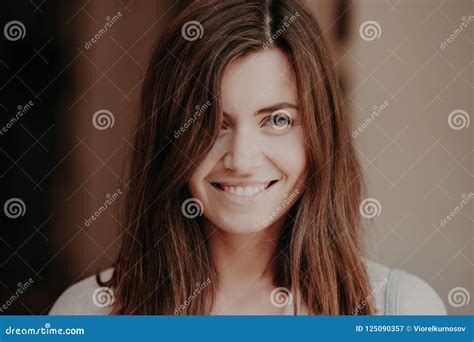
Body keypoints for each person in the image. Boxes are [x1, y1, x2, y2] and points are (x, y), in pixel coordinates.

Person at [50, 0, 446, 315]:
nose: (240, 159)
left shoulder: (400, 310)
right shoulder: (85, 316)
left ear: (320, 135)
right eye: (212, 123)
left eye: (277, 120)